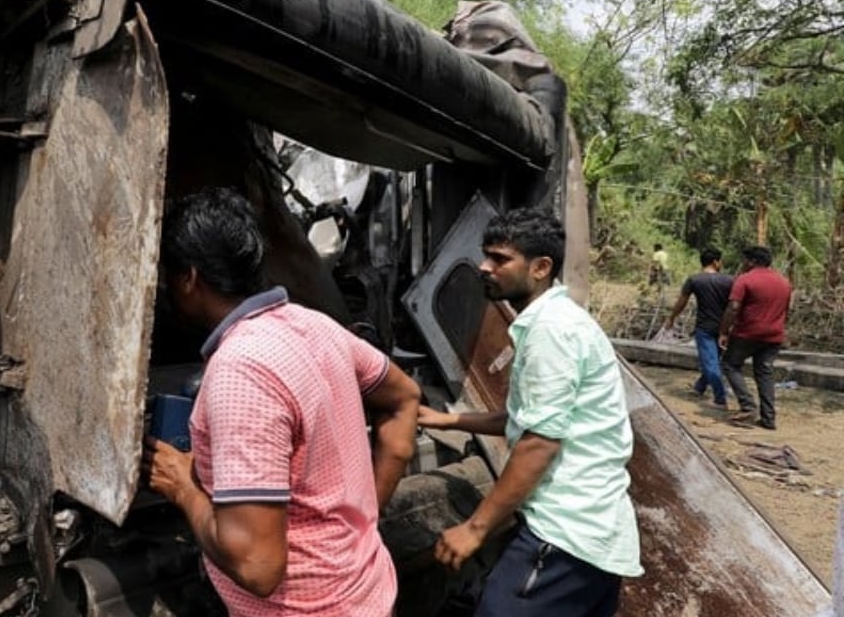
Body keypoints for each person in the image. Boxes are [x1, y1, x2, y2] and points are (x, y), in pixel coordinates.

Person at [144, 187, 420, 616]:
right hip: (366, 590)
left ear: (189, 278)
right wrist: (363, 520)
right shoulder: (316, 325)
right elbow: (406, 397)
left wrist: (183, 488)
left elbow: (258, 567)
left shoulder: (240, 370)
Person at [416, 207, 641, 617]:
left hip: (561, 536)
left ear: (540, 267)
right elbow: (526, 417)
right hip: (590, 531)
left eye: (500, 259)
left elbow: (538, 442)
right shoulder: (556, 320)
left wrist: (475, 528)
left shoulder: (549, 331)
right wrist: (448, 419)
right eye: (485, 256)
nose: (484, 267)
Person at [719, 245, 792, 430]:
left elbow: (733, 307)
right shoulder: (784, 282)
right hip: (774, 335)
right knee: (764, 373)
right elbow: (786, 310)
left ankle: (748, 406)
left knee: (730, 365)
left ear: (752, 261)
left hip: (747, 333)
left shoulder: (745, 279)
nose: (743, 264)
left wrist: (723, 331)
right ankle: (768, 418)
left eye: (745, 260)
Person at [663, 247, 734, 409]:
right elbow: (735, 305)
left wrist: (672, 317)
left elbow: (682, 301)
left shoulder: (694, 280)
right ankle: (700, 387)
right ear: (716, 262)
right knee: (713, 361)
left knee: (711, 363)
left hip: (705, 328)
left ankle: (720, 399)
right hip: (725, 328)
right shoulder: (730, 280)